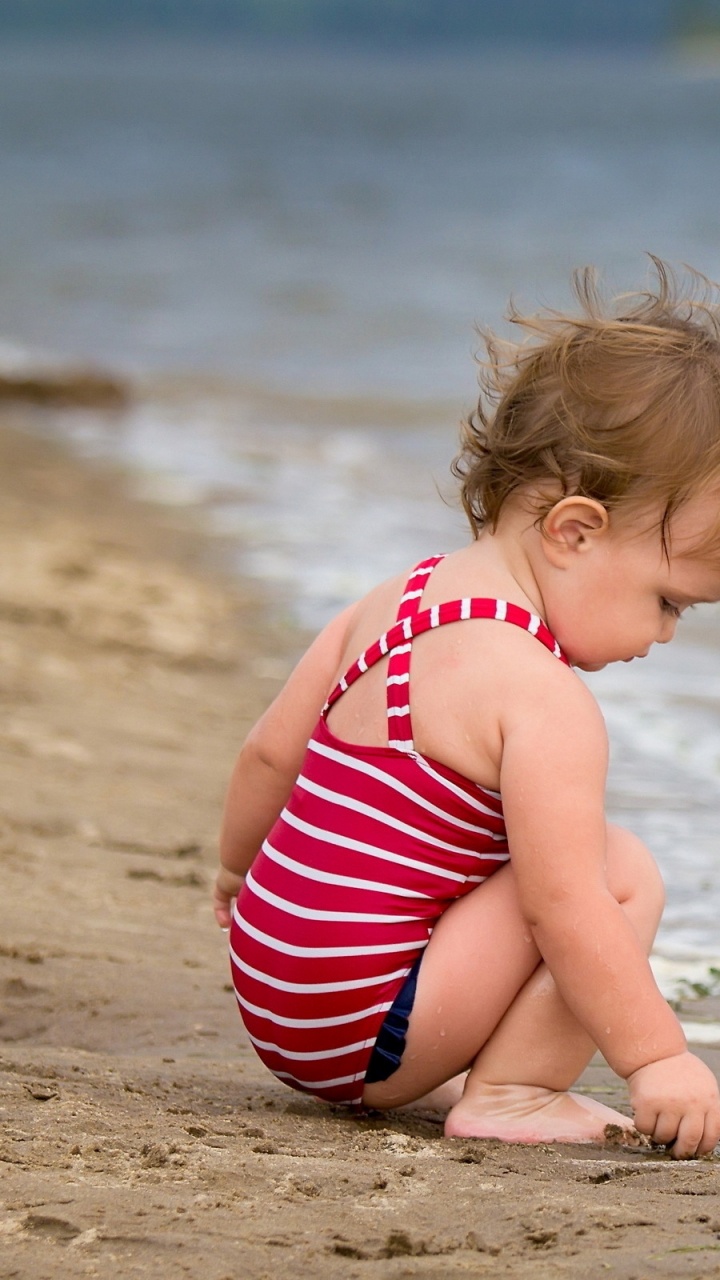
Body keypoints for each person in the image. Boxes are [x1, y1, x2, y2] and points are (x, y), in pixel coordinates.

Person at [214, 259, 720, 1159]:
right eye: (668, 601)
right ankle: (516, 1093)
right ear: (574, 531)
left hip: (268, 992)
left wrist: (233, 874)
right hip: (362, 1031)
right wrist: (658, 1058)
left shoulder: (392, 600)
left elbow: (267, 756)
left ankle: (456, 1061)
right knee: (618, 870)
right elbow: (564, 909)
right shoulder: (542, 697)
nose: (665, 635)